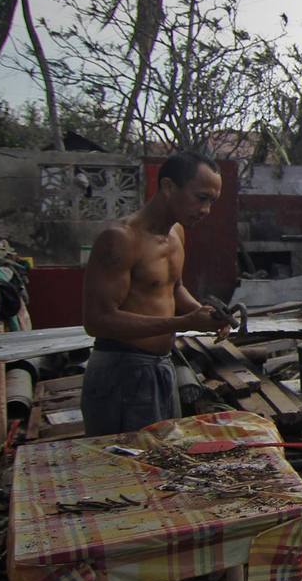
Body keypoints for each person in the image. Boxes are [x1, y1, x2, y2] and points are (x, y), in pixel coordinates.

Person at [80, 152, 231, 436]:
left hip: (160, 367)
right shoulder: (121, 239)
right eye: (201, 198)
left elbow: (174, 289)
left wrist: (207, 315)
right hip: (121, 371)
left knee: (160, 464)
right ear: (168, 187)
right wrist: (183, 324)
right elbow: (97, 321)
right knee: (125, 467)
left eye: (212, 201)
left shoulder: (176, 234)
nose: (206, 210)